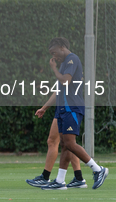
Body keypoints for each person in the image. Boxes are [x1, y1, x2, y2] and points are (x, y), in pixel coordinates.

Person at [35, 37, 108, 190]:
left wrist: (54, 68)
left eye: (54, 52)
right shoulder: (64, 64)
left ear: (62, 47)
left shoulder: (71, 59)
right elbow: (59, 91)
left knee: (69, 143)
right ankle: (60, 181)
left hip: (72, 108)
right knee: (65, 145)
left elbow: (65, 81)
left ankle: (98, 169)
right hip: (63, 110)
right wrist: (45, 108)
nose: (54, 57)